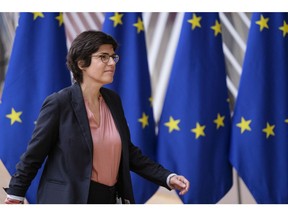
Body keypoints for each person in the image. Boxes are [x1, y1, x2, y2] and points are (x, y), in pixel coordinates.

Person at [4, 30, 190, 204]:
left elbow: (128, 152)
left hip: (110, 197)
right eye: (103, 57)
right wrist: (15, 194)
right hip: (69, 200)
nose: (112, 62)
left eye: (113, 57)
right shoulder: (59, 102)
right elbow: (34, 154)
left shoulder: (112, 100)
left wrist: (168, 177)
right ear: (81, 63)